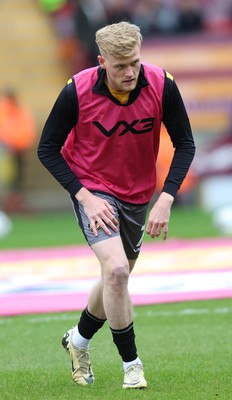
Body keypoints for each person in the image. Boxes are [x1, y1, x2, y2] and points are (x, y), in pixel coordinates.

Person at [37, 21, 195, 389]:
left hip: (139, 194)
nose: (130, 72)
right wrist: (85, 196)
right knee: (118, 271)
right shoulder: (76, 90)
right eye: (120, 65)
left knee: (115, 278)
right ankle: (132, 366)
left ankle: (77, 341)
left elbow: (185, 143)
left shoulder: (162, 84)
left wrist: (166, 198)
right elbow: (47, 149)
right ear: (101, 61)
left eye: (135, 63)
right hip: (93, 190)